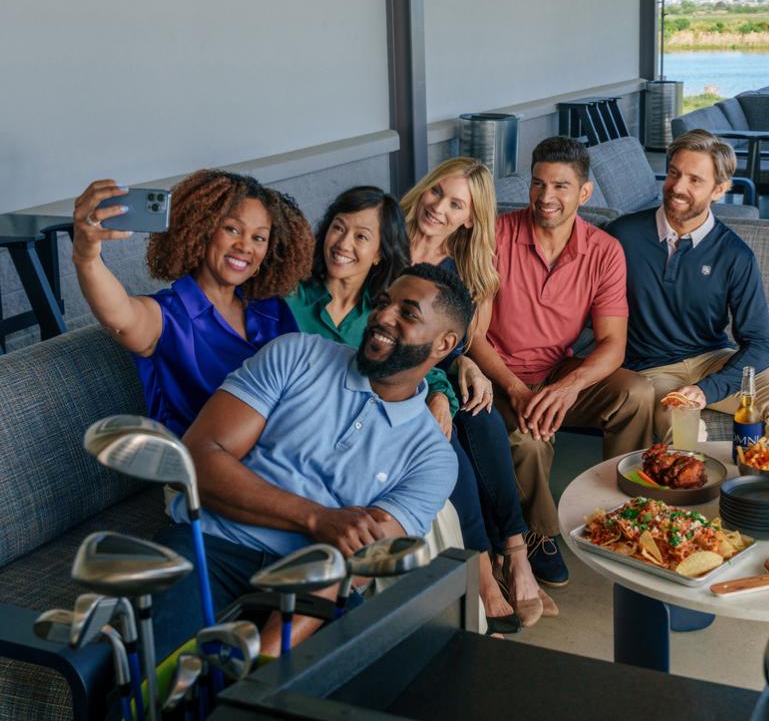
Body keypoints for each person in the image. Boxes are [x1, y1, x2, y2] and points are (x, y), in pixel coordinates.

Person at [153, 264, 467, 655]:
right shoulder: (296, 354)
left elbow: (357, 560)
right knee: (164, 691)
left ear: (443, 344)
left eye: (408, 313)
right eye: (383, 302)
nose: (382, 316)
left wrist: (265, 662)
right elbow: (197, 459)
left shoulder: (433, 458)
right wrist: (317, 518)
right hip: (210, 546)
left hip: (317, 586)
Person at [286, 185, 536, 630]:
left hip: (388, 419)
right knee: (439, 458)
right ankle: (478, 580)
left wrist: (443, 386)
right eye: (338, 229)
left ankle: (505, 560)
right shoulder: (288, 303)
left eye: (361, 237)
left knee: (464, 424)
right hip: (327, 436)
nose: (344, 244)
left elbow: (417, 350)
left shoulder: (381, 304)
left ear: (381, 252)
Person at [468, 137, 654, 587]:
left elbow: (612, 344)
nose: (546, 197)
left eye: (560, 186)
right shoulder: (495, 236)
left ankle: (623, 513)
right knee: (529, 441)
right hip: (497, 373)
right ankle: (540, 535)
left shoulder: (604, 250)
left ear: (584, 194)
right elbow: (473, 336)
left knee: (638, 393)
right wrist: (516, 390)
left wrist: (569, 386)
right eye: (538, 184)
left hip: (557, 370)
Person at [401, 158, 548, 624]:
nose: (439, 207)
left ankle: (516, 552)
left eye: (456, 204)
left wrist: (464, 363)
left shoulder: (466, 266)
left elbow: (464, 342)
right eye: (437, 192)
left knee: (482, 416)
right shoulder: (383, 241)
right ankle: (483, 569)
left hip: (443, 368)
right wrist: (438, 382)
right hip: (399, 371)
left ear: (471, 218)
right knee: (450, 449)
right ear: (423, 189)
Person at [606, 128, 769, 445]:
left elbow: (760, 344)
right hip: (652, 370)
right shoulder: (622, 235)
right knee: (683, 423)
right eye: (674, 173)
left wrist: (708, 388)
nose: (677, 187)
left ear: (720, 190)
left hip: (713, 358)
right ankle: (687, 494)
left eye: (694, 180)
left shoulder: (735, 255)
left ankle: (765, 486)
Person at [72, 171, 314, 436]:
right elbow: (120, 316)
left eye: (259, 238)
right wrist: (86, 257)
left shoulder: (272, 309)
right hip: (204, 467)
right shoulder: (169, 317)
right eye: (232, 229)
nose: (245, 246)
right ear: (203, 230)